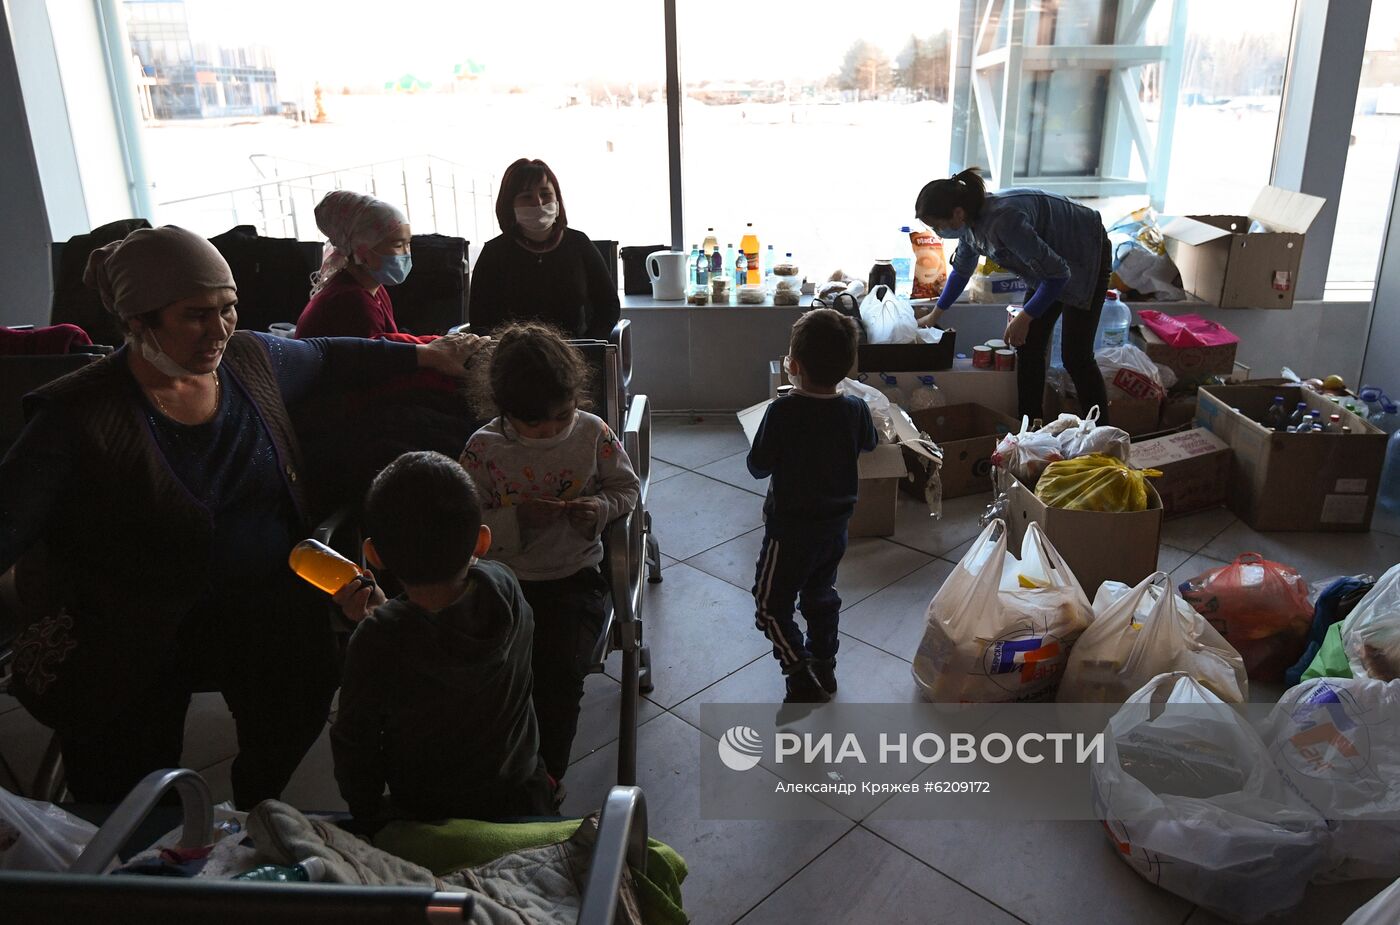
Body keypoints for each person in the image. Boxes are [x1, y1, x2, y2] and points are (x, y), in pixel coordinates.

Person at [0, 226, 483, 808]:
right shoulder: (76, 416)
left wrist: (425, 353)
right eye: (195, 316)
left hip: (262, 605)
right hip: (133, 628)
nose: (219, 329)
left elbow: (330, 354)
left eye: (228, 309)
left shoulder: (250, 360)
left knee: (300, 697)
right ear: (137, 320)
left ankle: (253, 802)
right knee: (121, 798)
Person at [329, 451, 553, 824]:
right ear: (481, 542)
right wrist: (388, 616)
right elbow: (449, 637)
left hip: (428, 812)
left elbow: (355, 743)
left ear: (374, 555)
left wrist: (368, 816)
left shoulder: (375, 641)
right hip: (521, 791)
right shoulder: (507, 588)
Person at [460, 323, 639, 782]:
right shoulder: (484, 449)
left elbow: (626, 488)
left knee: (558, 676)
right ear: (505, 411)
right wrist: (516, 520)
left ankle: (547, 778)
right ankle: (494, 770)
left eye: (563, 414)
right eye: (535, 422)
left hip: (572, 578)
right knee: (485, 672)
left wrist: (598, 508)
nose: (552, 430)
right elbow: (466, 521)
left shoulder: (592, 434)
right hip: (500, 580)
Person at [746, 309, 878, 704]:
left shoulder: (783, 411)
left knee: (770, 606)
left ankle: (798, 668)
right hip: (835, 528)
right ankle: (826, 663)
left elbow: (757, 467)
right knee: (820, 593)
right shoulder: (856, 409)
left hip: (789, 532)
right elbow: (870, 443)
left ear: (794, 365)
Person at [914, 167, 1113, 424]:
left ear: (957, 213)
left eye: (938, 225)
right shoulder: (970, 225)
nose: (939, 232)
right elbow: (962, 271)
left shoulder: (1003, 220)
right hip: (1051, 265)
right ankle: (1030, 425)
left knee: (1076, 356)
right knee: (1028, 345)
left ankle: (1103, 433)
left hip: (1086, 251)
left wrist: (1026, 316)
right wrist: (935, 314)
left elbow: (1059, 275)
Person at [467, 159, 620, 340]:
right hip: (511, 358)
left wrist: (589, 346)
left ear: (557, 199)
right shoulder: (494, 252)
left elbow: (608, 305)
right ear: (510, 205)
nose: (538, 203)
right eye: (526, 196)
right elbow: (480, 320)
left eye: (545, 194)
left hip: (575, 355)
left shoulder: (579, 243)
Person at [294, 190, 429, 342]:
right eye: (398, 245)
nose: (406, 253)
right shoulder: (352, 303)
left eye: (408, 244)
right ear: (362, 249)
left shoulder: (374, 289)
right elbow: (382, 359)